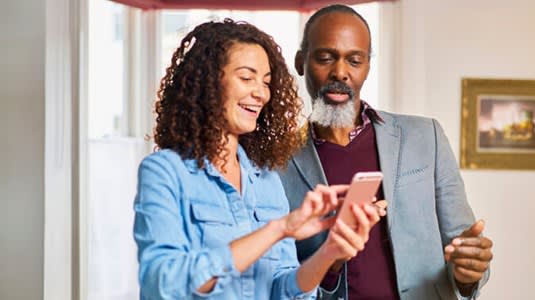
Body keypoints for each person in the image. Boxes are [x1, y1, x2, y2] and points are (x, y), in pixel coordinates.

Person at [132, 18, 382, 300]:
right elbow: (163, 284)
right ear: (208, 81)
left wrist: (328, 253)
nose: (260, 93)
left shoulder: (266, 179)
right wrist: (278, 230)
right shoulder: (165, 171)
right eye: (246, 77)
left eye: (265, 82)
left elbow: (283, 290)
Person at [279, 4, 493, 300]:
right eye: (326, 58)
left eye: (354, 60)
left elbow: (463, 246)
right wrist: (330, 260)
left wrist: (469, 273)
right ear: (301, 62)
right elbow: (279, 277)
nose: (340, 72)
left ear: (367, 66)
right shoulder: (276, 160)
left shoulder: (425, 137)